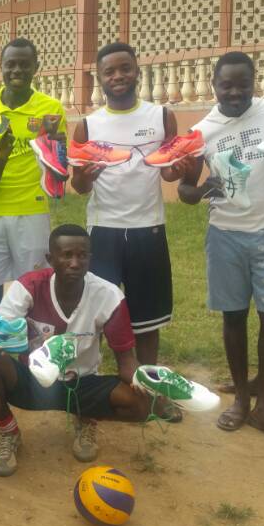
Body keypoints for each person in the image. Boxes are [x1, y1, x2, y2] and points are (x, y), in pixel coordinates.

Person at [176, 51, 264, 447]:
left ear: (254, 82)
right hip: (225, 233)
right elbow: (185, 192)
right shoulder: (202, 131)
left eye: (242, 84)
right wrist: (198, 189)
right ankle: (242, 401)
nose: (234, 92)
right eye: (226, 85)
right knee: (233, 317)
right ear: (213, 85)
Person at [0, 224, 152, 477]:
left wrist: (149, 385)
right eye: (66, 255)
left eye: (82, 255)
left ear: (90, 258)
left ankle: (87, 416)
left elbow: (126, 361)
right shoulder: (29, 287)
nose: (75, 263)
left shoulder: (109, 296)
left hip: (83, 383)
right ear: (50, 259)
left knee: (140, 405)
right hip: (33, 381)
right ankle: (7, 429)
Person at [70, 42, 189, 383]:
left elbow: (167, 171)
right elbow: (80, 187)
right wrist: (84, 176)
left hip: (147, 228)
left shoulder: (161, 116)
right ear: (100, 78)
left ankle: (149, 381)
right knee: (100, 309)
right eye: (110, 71)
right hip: (103, 229)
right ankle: (106, 380)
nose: (118, 76)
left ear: (137, 71)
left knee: (148, 317)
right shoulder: (88, 126)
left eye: (125, 68)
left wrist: (180, 168)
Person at [0, 38, 67, 305]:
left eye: (24, 64)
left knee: (34, 286)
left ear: (36, 67)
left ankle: (31, 343)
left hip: (31, 211)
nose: (17, 70)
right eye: (11, 64)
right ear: (1, 67)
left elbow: (57, 164)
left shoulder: (51, 110)